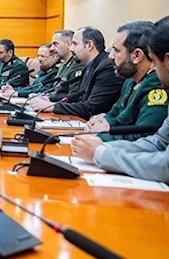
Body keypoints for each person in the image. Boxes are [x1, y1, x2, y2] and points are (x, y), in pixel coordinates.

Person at [72, 16, 169, 183]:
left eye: (153, 60)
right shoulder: (130, 82)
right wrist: (100, 145)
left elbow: (165, 166)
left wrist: (101, 153)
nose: (152, 67)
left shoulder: (156, 86)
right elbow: (159, 141)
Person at [85, 21, 166, 141]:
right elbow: (115, 114)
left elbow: (143, 136)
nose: (110, 56)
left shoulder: (157, 86)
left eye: (116, 50)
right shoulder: (130, 81)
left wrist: (101, 135)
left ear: (137, 56)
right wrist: (101, 122)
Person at [29, 27, 124, 120]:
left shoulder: (106, 67)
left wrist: (52, 106)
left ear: (89, 45)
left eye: (74, 44)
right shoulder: (89, 66)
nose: (71, 49)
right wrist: (52, 100)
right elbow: (79, 97)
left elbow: (92, 107)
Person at [48, 29, 84, 102]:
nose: (51, 49)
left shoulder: (77, 65)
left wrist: (50, 97)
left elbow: (73, 95)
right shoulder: (63, 65)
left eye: (55, 44)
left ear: (68, 44)